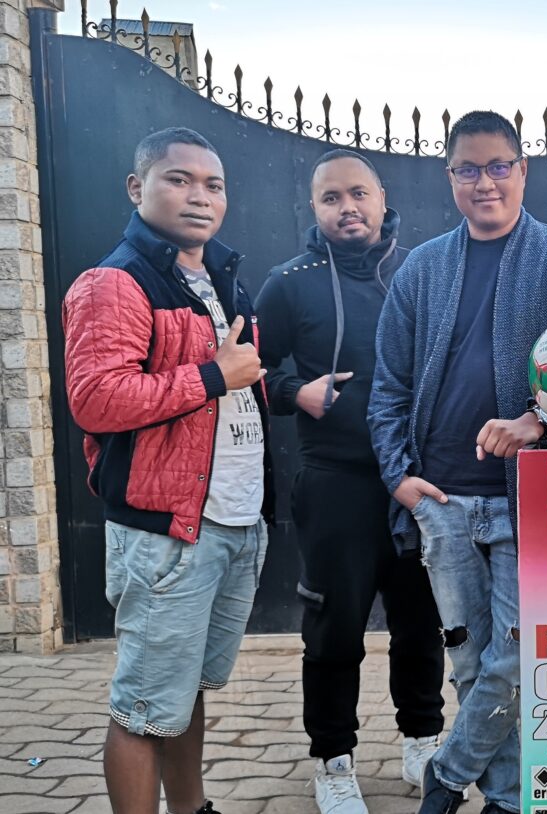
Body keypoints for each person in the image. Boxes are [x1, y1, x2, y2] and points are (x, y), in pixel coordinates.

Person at [368, 110, 547, 814]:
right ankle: (505, 797)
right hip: (440, 501)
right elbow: (388, 387)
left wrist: (537, 420)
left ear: (523, 169)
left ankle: (445, 777)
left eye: (499, 165)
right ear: (450, 177)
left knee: (521, 654)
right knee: (472, 663)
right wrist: (400, 479)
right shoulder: (422, 267)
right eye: (468, 168)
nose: (485, 181)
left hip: (530, 499)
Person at [62, 127, 271, 814]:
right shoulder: (114, 283)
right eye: (179, 179)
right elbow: (96, 400)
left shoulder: (217, 279)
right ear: (137, 187)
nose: (199, 196)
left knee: (181, 697)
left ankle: (194, 808)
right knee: (144, 707)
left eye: (213, 184)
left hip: (232, 521)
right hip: (166, 534)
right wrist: (215, 373)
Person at [255, 149, 445, 813]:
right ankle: (333, 757)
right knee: (334, 630)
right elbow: (251, 369)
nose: (348, 208)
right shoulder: (289, 283)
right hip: (334, 479)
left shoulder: (422, 273)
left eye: (358, 194)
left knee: (420, 621)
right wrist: (292, 391)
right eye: (332, 197)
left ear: (382, 199)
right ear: (315, 208)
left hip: (416, 478)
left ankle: (423, 738)